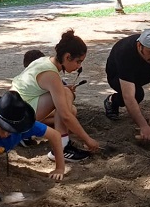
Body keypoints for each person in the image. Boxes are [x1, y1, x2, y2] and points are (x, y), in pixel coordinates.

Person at [11, 29, 99, 161]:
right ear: (67, 56)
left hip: (12, 110)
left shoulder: (44, 61)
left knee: (70, 107)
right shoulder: (51, 74)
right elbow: (65, 116)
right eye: (78, 61)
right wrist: (88, 139)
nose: (78, 66)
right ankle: (61, 148)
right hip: (18, 117)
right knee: (66, 99)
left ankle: (27, 134)